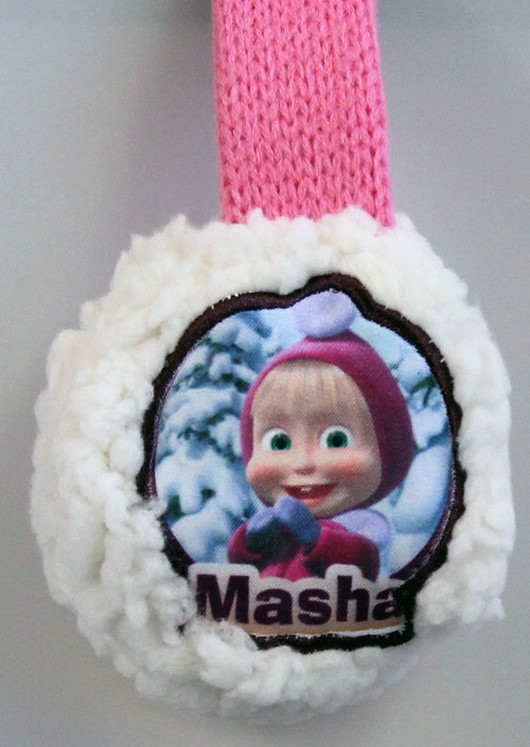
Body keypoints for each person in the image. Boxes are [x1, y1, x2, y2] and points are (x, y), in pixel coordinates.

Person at [228, 290, 414, 582]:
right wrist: (251, 540)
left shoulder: (361, 530)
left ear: (385, 448)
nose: (302, 463)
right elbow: (239, 561)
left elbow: (360, 562)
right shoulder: (280, 525)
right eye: (279, 442)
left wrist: (316, 537)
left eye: (336, 440)